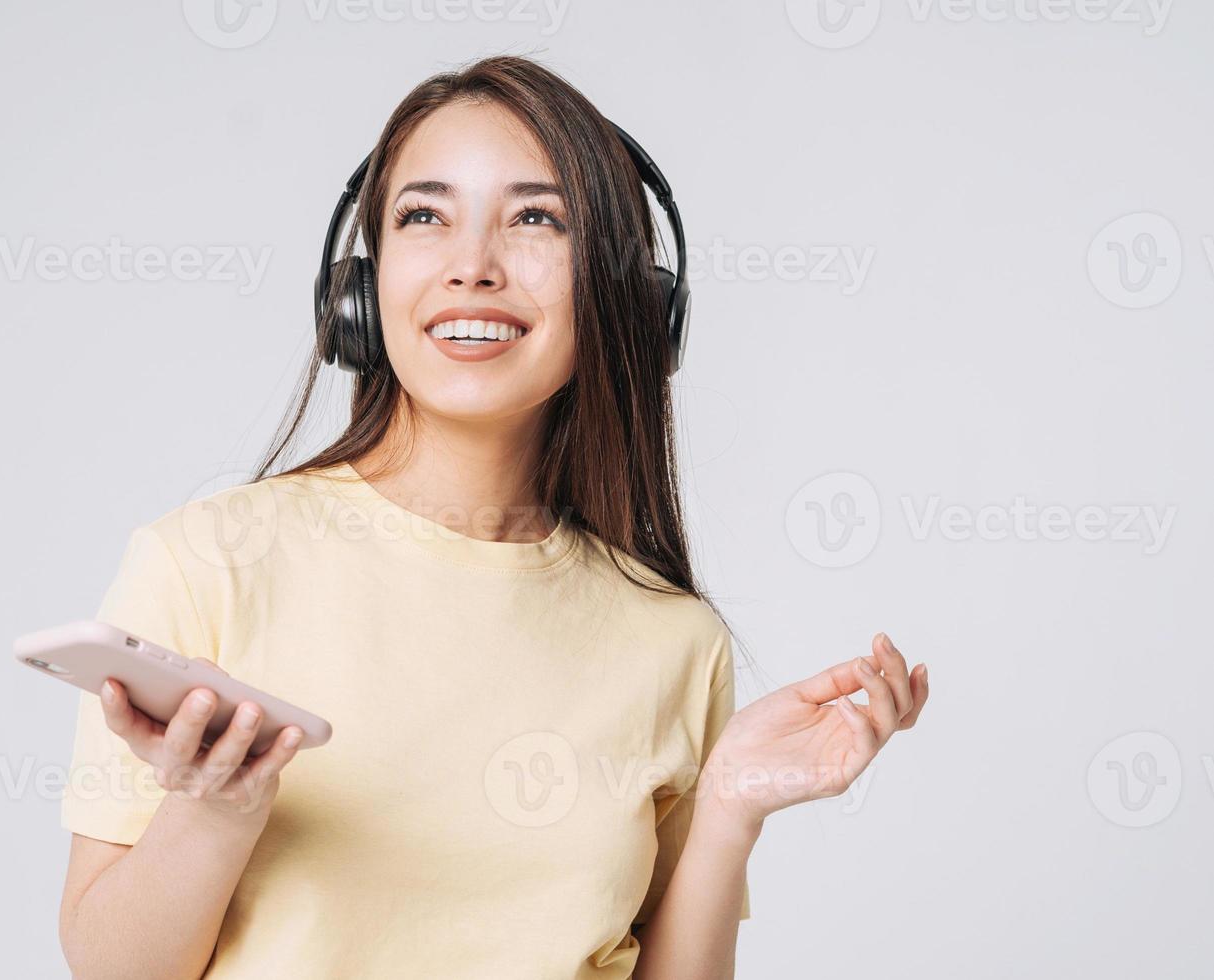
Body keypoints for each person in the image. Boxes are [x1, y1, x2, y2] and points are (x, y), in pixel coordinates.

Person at [55, 55, 930, 980]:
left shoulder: (673, 639)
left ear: (627, 299)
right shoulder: (204, 565)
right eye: (424, 216)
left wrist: (728, 805)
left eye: (535, 219)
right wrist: (213, 809)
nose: (471, 268)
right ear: (358, 287)